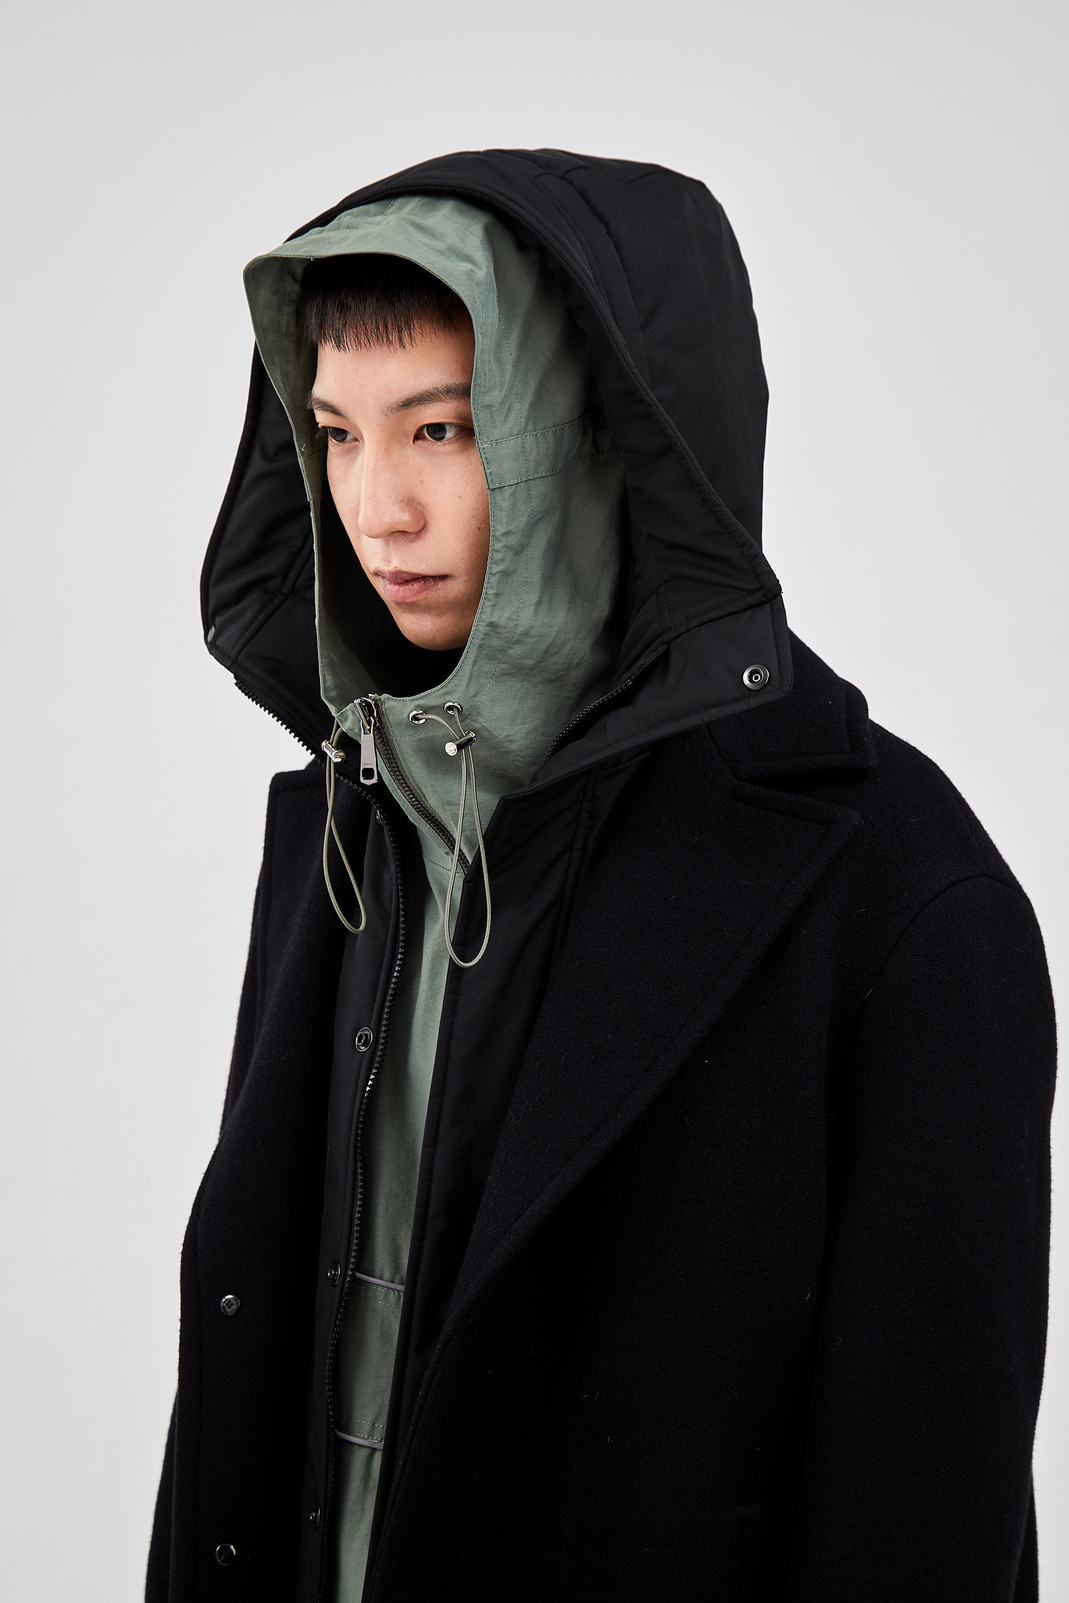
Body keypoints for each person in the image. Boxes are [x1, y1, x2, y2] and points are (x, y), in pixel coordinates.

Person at [147, 150, 1056, 1603]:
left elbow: (920, 1509)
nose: (376, 508)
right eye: (334, 432)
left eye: (441, 429)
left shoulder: (895, 895)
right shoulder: (353, 813)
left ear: (611, 432)